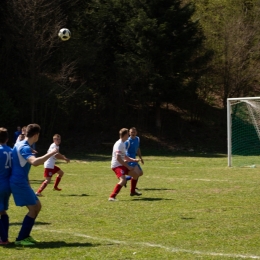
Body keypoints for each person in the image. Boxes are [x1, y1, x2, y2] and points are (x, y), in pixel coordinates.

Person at [10, 124, 59, 246]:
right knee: (34, 208)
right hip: (19, 181)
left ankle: (25, 236)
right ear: (36, 135)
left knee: (37, 206)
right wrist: (51, 153)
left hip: (21, 180)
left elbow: (15, 151)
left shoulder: (20, 143)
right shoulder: (25, 147)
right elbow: (35, 162)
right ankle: (21, 238)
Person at [108, 128, 143, 201]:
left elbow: (124, 156)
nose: (129, 135)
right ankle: (112, 197)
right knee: (123, 180)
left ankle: (133, 192)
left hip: (122, 164)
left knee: (135, 174)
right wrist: (128, 166)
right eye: (128, 133)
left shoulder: (123, 143)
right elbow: (118, 158)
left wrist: (132, 160)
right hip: (116, 166)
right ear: (125, 135)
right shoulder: (119, 144)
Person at [0, 128, 12, 245]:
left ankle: (3, 239)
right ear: (7, 139)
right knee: (3, 211)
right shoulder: (11, 151)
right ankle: (5, 238)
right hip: (8, 185)